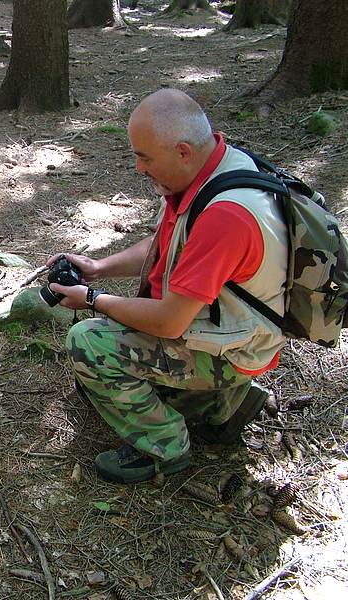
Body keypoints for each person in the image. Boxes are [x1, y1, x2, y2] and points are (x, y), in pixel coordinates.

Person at [48, 89, 287, 484]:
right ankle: (221, 405)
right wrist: (98, 268)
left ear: (182, 151)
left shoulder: (225, 215)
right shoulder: (211, 169)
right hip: (224, 327)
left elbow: (168, 322)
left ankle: (165, 446)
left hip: (230, 349)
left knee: (88, 343)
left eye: (145, 157)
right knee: (100, 365)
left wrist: (92, 299)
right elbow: (166, 242)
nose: (139, 168)